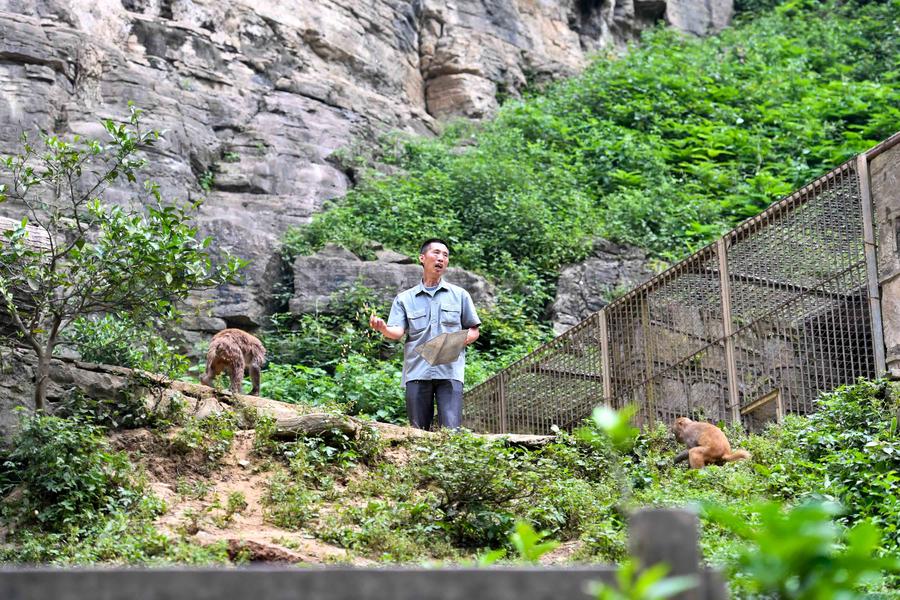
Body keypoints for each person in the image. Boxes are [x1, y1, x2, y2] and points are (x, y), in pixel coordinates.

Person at [369, 238, 481, 430]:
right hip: (417, 371)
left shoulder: (460, 295)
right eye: (436, 253)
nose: (441, 258)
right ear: (422, 258)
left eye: (445, 255)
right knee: (417, 431)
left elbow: (474, 329)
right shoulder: (404, 299)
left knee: (451, 431)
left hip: (450, 371)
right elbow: (397, 332)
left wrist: (455, 343)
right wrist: (383, 328)